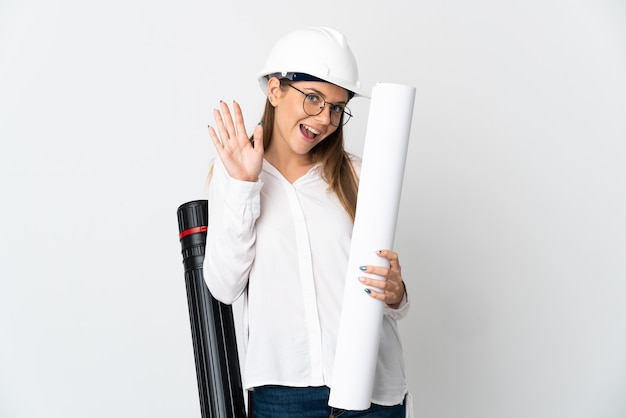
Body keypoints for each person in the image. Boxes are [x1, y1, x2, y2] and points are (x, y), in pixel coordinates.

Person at [203, 26, 411, 418]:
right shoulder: (235, 176)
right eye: (313, 98)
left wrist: (397, 292)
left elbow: (385, 298)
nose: (325, 119)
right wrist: (245, 185)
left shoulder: (359, 177)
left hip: (373, 390)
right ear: (275, 90)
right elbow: (224, 286)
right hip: (285, 395)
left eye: (336, 107)